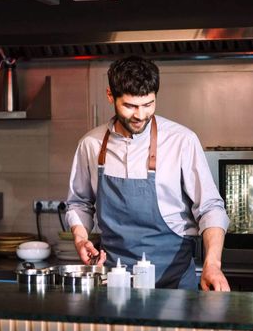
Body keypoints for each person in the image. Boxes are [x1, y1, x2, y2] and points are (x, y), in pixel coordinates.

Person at [65, 56, 230, 291]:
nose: (140, 115)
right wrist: (81, 238)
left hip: (173, 284)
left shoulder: (181, 140)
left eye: (148, 104)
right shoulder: (91, 144)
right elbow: (79, 203)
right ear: (110, 96)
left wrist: (212, 264)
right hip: (113, 282)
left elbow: (210, 208)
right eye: (130, 106)